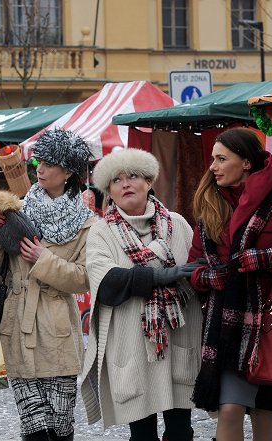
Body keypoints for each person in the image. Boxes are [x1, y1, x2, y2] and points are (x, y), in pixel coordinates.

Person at [187, 128, 272, 441]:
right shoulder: (210, 206)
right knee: (230, 409)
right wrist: (208, 276)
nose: (213, 167)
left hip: (271, 327)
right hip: (226, 330)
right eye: (213, 159)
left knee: (264, 415)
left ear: (246, 162)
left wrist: (270, 258)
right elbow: (193, 267)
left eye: (221, 159)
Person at [80, 148, 203, 441]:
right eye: (116, 180)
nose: (125, 184)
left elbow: (197, 273)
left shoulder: (177, 224)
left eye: (133, 176)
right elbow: (107, 284)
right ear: (109, 190)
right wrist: (160, 277)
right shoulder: (101, 232)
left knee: (180, 432)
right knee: (142, 436)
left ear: (148, 182)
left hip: (177, 342)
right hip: (131, 346)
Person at [0, 128, 95, 441]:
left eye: (49, 163)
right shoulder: (15, 209)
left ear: (69, 172)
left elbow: (84, 277)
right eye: (38, 161)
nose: (40, 168)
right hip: (17, 327)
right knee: (34, 429)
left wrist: (42, 259)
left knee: (60, 431)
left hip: (59, 332)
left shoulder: (87, 222)